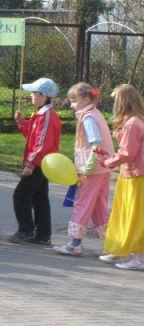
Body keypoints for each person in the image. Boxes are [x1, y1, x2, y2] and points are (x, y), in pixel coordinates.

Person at [53, 83, 114, 257]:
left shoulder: (88, 118)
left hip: (91, 170)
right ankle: (110, 244)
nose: (71, 105)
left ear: (86, 100)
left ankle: (75, 243)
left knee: (83, 204)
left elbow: (96, 144)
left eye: (74, 101)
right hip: (103, 168)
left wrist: (87, 167)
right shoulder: (96, 114)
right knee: (99, 207)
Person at [8, 77, 62, 245]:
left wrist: (31, 163)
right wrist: (21, 122)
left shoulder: (46, 117)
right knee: (39, 198)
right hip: (42, 162)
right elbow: (32, 135)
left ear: (43, 96)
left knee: (20, 194)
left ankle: (26, 229)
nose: (31, 95)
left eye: (33, 93)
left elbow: (42, 144)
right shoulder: (41, 115)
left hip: (40, 163)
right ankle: (43, 234)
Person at [96, 84, 144, 270]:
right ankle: (120, 249)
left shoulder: (133, 124)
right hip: (131, 173)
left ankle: (140, 257)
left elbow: (127, 153)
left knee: (134, 215)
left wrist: (108, 161)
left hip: (136, 175)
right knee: (125, 213)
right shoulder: (135, 121)